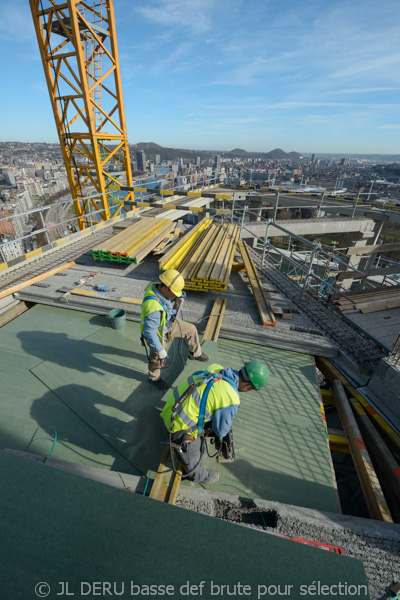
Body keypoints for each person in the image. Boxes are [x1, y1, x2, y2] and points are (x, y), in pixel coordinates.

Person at [160, 361, 269, 484]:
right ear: (249, 387)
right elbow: (220, 430)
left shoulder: (216, 368)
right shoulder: (231, 397)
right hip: (177, 428)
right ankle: (200, 476)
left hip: (169, 412)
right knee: (196, 458)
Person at [140, 269, 209, 390]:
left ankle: (195, 353)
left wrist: (177, 297)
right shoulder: (154, 308)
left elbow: (166, 298)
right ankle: (154, 378)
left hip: (167, 323)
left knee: (191, 329)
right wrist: (161, 350)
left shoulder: (156, 286)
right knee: (156, 358)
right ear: (166, 289)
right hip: (158, 335)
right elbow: (150, 332)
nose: (175, 296)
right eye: (174, 293)